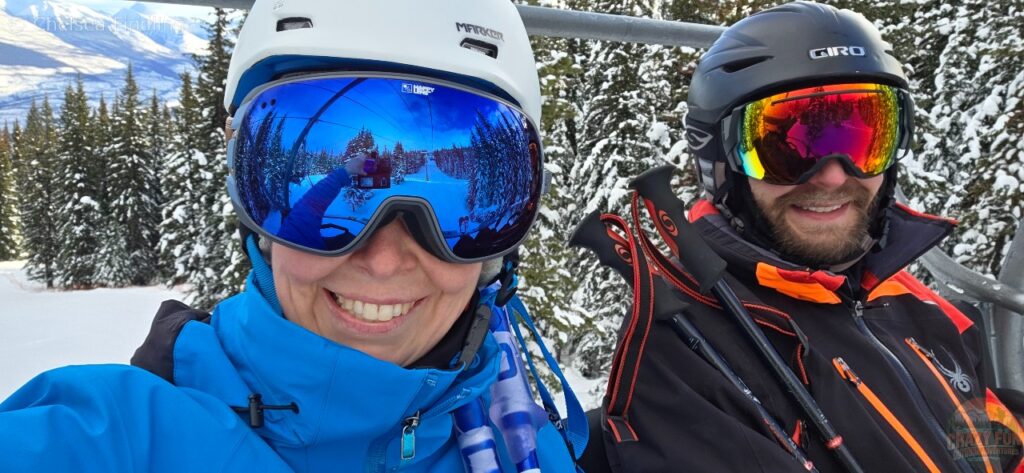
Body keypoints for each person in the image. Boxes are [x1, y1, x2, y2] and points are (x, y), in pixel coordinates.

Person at [0, 1, 587, 471]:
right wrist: (338, 175)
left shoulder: (520, 439)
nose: (383, 261)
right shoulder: (117, 435)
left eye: (453, 213)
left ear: (495, 264)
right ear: (258, 232)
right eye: (364, 202)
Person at [579, 2, 1024, 472]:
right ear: (721, 164)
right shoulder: (691, 350)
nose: (833, 178)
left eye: (861, 139)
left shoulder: (911, 301)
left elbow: (985, 445)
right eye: (785, 150)